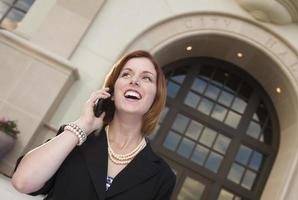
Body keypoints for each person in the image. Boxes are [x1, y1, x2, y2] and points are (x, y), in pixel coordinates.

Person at [12, 50, 176, 200]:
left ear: (155, 98)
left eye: (146, 78)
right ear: (111, 92)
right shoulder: (75, 139)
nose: (134, 81)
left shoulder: (162, 176)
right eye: (126, 74)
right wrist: (84, 124)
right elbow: (22, 182)